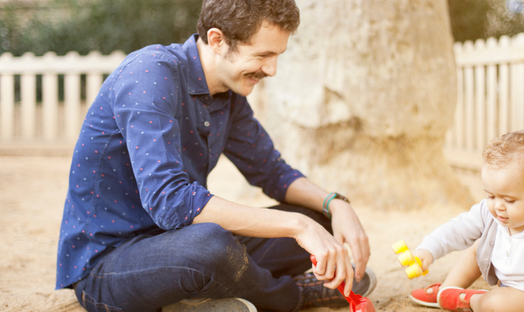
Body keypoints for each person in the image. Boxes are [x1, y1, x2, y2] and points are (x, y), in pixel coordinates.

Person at [55, 1, 376, 311]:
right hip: (107, 266)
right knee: (212, 244)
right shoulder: (149, 72)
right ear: (217, 40)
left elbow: (272, 172)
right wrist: (297, 226)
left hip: (178, 242)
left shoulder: (227, 91)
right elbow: (170, 201)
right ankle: (290, 297)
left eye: (277, 55)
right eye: (263, 55)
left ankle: (198, 297)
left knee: (318, 218)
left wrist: (335, 204)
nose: (272, 69)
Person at [407, 130, 524, 312]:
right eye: (490, 196)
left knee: (495, 304)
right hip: (506, 288)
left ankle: (474, 299)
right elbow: (457, 228)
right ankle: (447, 291)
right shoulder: (492, 211)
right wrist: (428, 249)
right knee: (478, 247)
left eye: (509, 200)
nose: (498, 206)